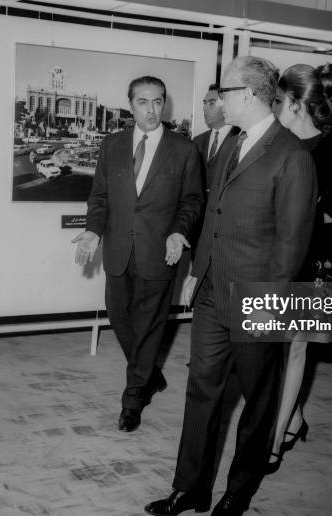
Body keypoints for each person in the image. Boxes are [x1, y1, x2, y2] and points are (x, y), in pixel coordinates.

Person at [145, 56, 317, 516]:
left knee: (259, 403)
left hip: (258, 299)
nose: (218, 98)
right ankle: (190, 489)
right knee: (201, 390)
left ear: (249, 95)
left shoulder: (292, 155)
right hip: (212, 295)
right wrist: (197, 273)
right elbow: (212, 218)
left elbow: (291, 241)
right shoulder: (228, 146)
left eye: (224, 90)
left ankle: (238, 492)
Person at [72, 75, 203, 433]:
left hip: (160, 251)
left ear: (165, 104)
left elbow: (193, 200)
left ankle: (133, 400)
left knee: (149, 326)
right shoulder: (111, 145)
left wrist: (178, 231)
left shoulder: (183, 149)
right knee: (119, 317)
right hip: (118, 249)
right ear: (131, 105)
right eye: (143, 102)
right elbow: (100, 196)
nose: (151, 109)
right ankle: (151, 376)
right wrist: (92, 231)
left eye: (158, 101)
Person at [266, 63, 332, 472]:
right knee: (273, 349)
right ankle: (295, 419)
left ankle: (274, 440)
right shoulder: (277, 142)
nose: (272, 109)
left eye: (277, 102)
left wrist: (299, 215)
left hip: (316, 262)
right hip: (277, 259)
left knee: (296, 347)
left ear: (295, 104)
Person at [193, 83, 240, 196]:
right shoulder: (197, 141)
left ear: (226, 106)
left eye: (212, 103)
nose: (204, 108)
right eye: (204, 103)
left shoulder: (240, 138)